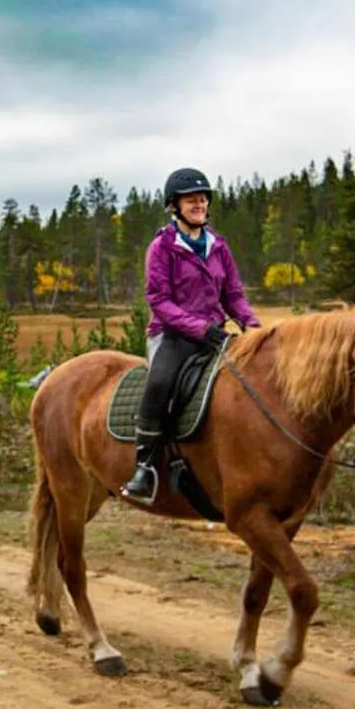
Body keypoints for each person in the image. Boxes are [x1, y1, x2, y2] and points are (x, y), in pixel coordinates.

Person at [121, 168, 259, 506]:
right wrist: (199, 328)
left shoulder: (218, 246)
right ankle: (145, 466)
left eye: (202, 199)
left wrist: (253, 327)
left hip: (214, 334)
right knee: (160, 382)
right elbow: (159, 301)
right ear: (174, 206)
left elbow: (234, 295)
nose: (198, 204)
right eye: (190, 200)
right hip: (171, 335)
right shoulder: (162, 247)